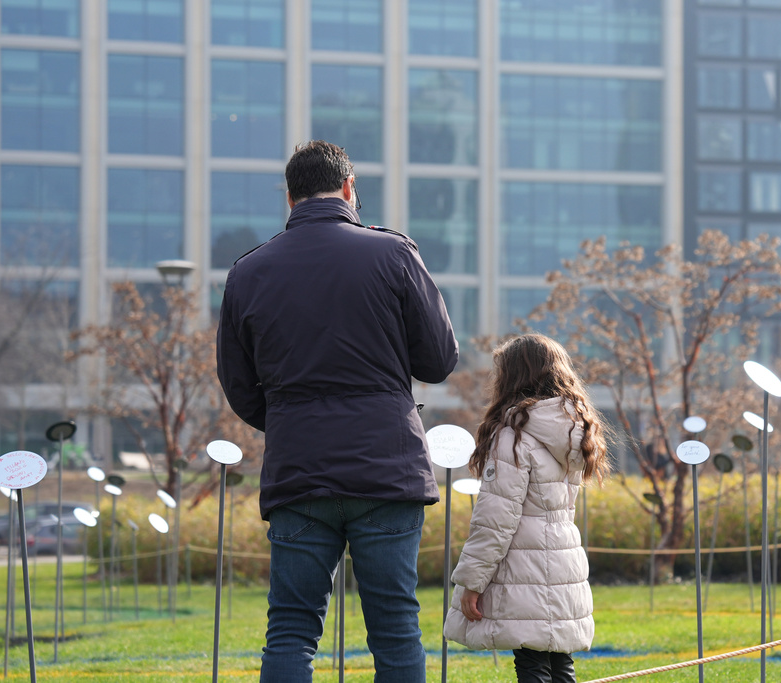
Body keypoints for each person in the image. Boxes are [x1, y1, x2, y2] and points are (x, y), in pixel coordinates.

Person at [216, 139, 459, 682]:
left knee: (291, 630)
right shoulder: (394, 253)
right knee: (396, 628)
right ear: (350, 189)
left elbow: (238, 385)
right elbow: (440, 360)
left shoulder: (248, 273)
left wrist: (288, 419)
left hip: (299, 471)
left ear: (289, 197)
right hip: (386, 469)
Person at [443, 334, 610, 683]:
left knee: (532, 666)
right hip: (563, 560)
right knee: (558, 664)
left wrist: (473, 581)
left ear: (514, 376)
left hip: (525, 565)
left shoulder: (514, 435)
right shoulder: (575, 429)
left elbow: (495, 519)